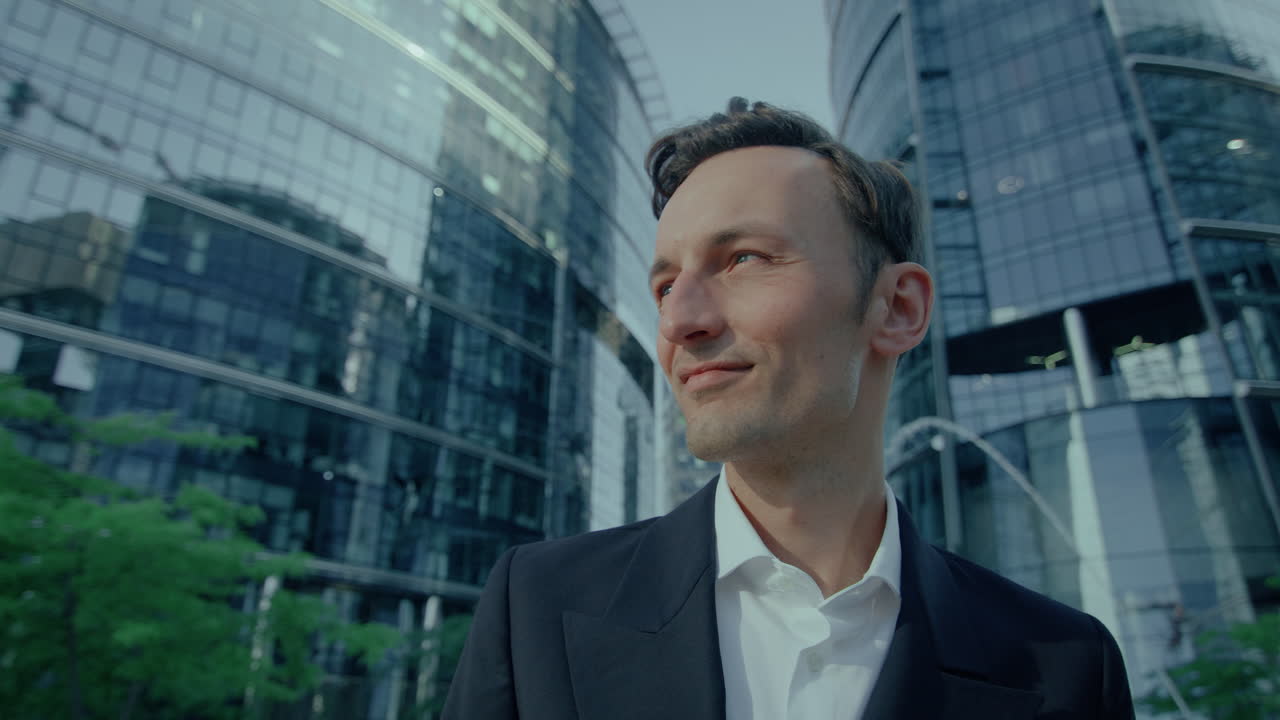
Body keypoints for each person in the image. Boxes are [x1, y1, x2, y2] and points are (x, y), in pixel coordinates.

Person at [442, 98, 1134, 719]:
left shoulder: (1068, 667)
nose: (680, 320)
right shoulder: (533, 606)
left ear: (897, 308)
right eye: (663, 286)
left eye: (743, 259)